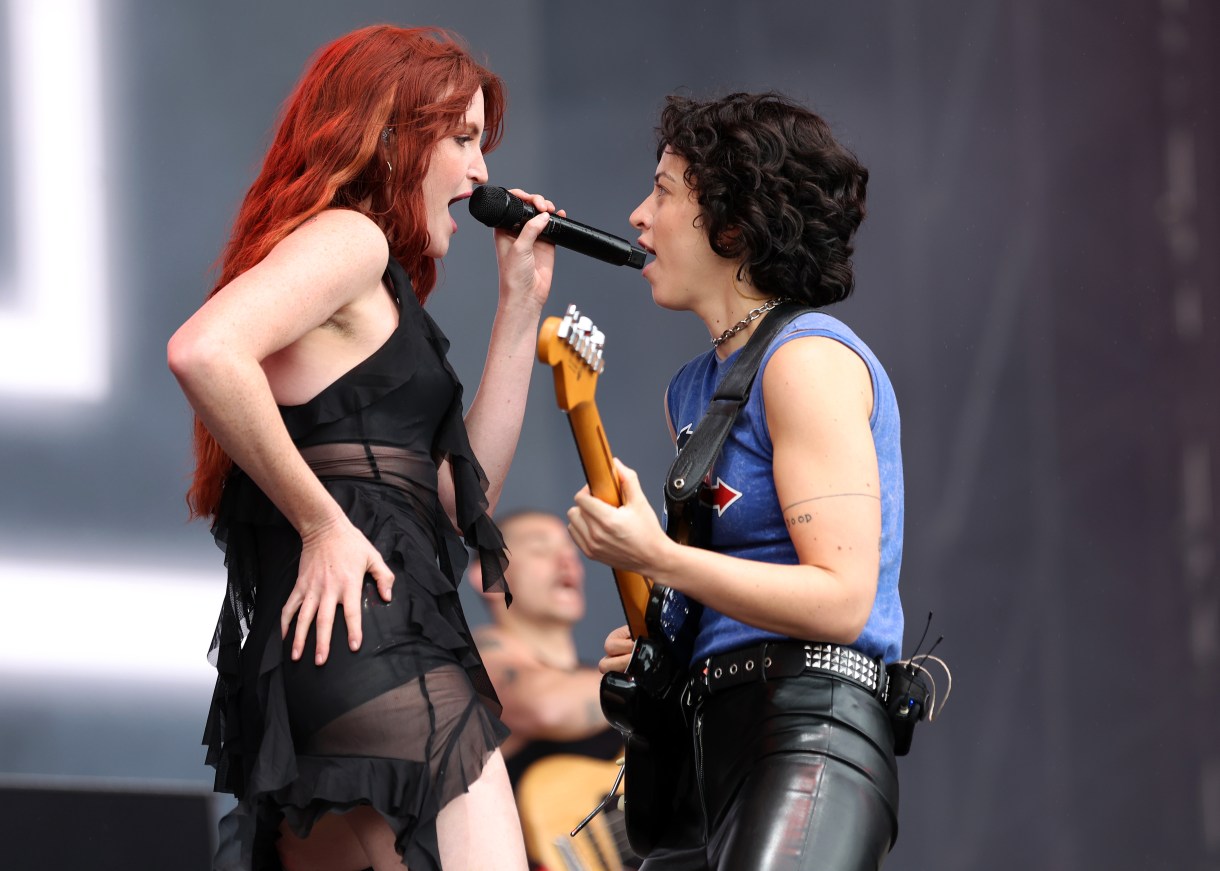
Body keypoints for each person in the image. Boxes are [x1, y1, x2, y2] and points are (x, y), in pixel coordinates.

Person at [167, 25, 559, 871]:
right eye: (460, 140)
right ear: (388, 137)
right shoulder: (352, 240)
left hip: (329, 661)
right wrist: (321, 521)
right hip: (386, 648)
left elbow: (462, 499)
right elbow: (205, 350)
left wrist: (519, 307)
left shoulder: (375, 280)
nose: (481, 171)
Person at [565, 92, 905, 871]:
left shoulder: (806, 361)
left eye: (663, 191)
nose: (638, 216)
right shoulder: (692, 389)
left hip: (810, 730)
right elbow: (741, 576)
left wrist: (659, 557)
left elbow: (841, 598)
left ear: (732, 222)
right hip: (711, 739)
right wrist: (665, 631)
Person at [468, 509, 636, 871]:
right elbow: (545, 708)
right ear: (488, 575)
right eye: (540, 549)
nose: (567, 560)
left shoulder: (598, 676)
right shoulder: (475, 670)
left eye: (570, 548)